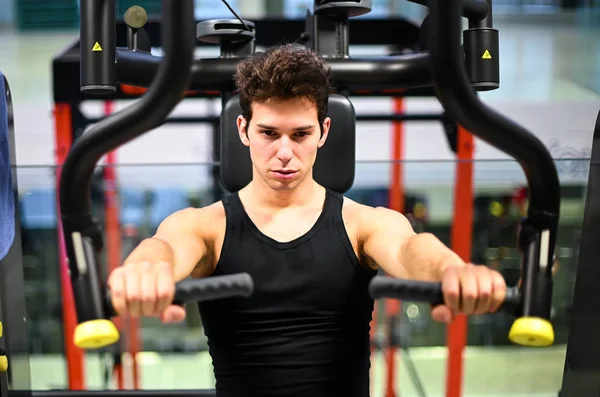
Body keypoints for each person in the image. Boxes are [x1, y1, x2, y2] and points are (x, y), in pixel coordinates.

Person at [107, 44, 507, 396]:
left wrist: (451, 269)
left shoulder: (361, 224)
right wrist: (144, 271)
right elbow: (163, 249)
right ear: (243, 130)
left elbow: (410, 247)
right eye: (269, 133)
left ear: (323, 131)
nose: (284, 152)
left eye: (300, 134)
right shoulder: (206, 227)